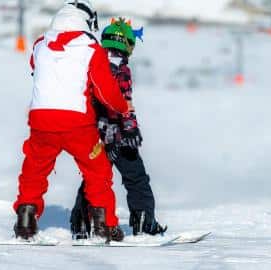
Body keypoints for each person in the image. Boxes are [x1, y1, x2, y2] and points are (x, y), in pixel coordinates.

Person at [13, 1, 128, 242]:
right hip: (78, 124)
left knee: (34, 170)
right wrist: (122, 108)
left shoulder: (40, 45)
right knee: (97, 171)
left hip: (41, 120)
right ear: (88, 21)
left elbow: (35, 67)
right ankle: (104, 226)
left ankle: (25, 219)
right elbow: (105, 91)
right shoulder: (90, 48)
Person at [70, 18, 167, 240]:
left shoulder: (91, 64)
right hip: (118, 135)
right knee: (136, 178)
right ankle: (144, 223)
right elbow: (123, 101)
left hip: (93, 134)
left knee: (94, 179)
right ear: (127, 45)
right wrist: (131, 128)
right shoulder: (121, 69)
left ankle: (82, 223)